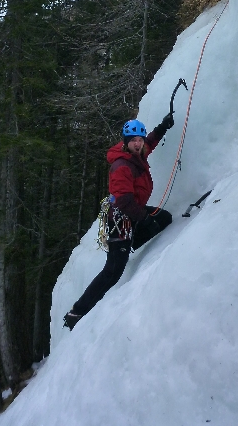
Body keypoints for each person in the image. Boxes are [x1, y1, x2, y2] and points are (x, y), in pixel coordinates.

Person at [63, 114, 174, 330]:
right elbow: (123, 200)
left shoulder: (137, 155)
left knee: (164, 218)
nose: (138, 142)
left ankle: (132, 245)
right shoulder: (122, 165)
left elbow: (149, 143)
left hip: (133, 214)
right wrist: (144, 220)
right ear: (125, 141)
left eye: (139, 139)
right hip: (120, 220)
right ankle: (77, 312)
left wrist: (162, 127)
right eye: (133, 139)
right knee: (112, 272)